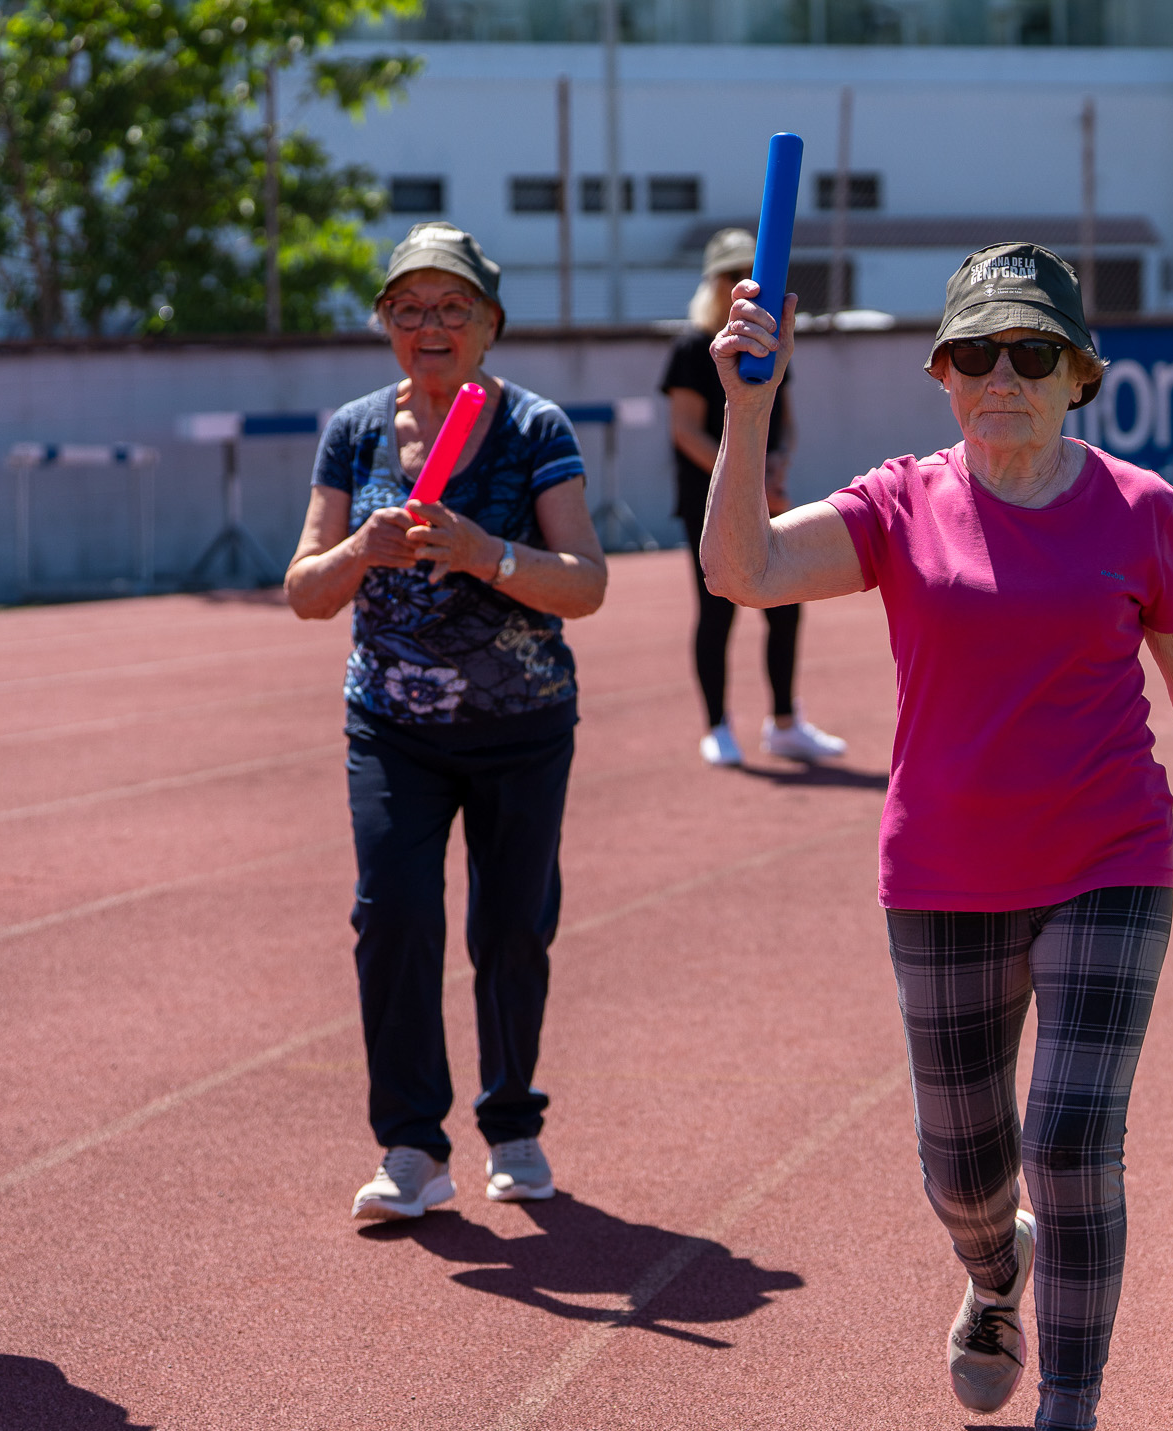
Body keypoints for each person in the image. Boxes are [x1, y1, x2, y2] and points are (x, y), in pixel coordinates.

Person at [701, 242, 1173, 1431]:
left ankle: (1069, 1402)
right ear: (942, 377)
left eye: (1028, 352)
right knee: (963, 1169)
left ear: (1077, 375)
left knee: (1068, 1143)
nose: (999, 375)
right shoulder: (898, 504)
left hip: (1108, 862)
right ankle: (993, 1268)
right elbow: (740, 571)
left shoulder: (1140, 510)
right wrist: (747, 407)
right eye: (973, 354)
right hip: (941, 874)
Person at [285, 222, 607, 1222]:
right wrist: (361, 551)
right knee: (392, 917)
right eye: (408, 308)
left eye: (452, 307)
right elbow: (304, 591)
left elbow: (585, 583)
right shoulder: (353, 432)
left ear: (490, 323)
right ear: (385, 322)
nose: (430, 326)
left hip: (521, 726)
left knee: (511, 929)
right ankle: (412, 1145)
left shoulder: (536, 430)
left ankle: (511, 1122)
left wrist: (483, 553)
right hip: (392, 727)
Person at [661, 227, 845, 767]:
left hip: (767, 493)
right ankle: (717, 726)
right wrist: (741, 475)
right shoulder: (691, 348)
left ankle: (785, 723)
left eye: (752, 272)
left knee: (786, 603)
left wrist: (776, 465)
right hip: (705, 499)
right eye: (732, 274)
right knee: (716, 610)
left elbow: (785, 423)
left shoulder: (769, 342)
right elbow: (685, 432)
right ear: (713, 283)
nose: (744, 282)